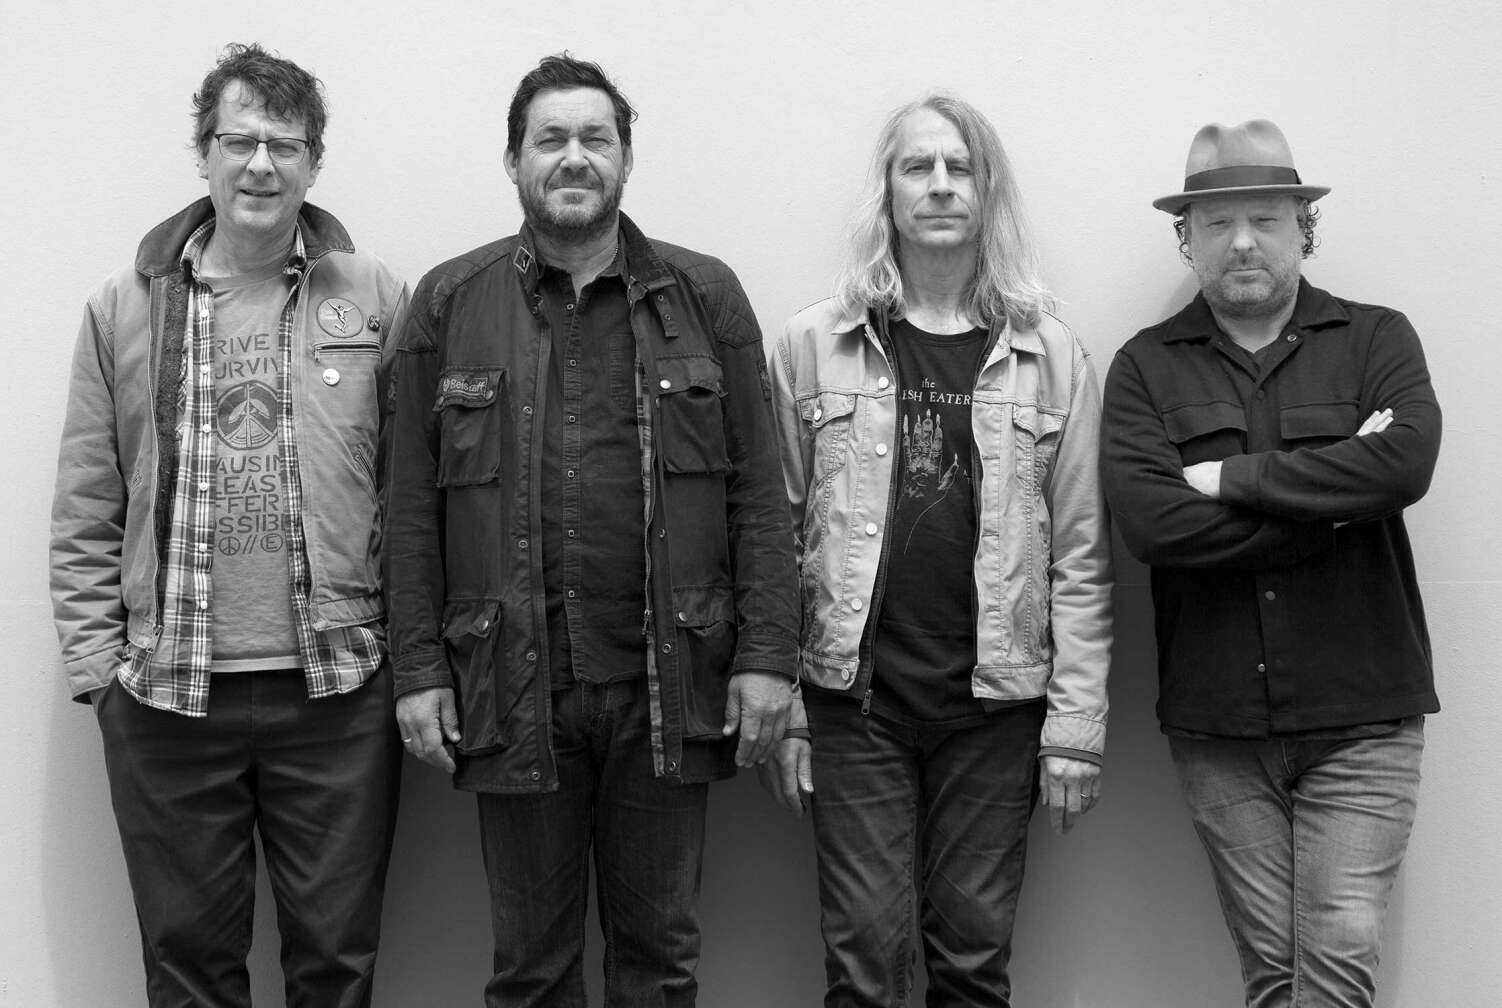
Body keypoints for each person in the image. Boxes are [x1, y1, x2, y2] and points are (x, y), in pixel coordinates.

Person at [383, 54, 800, 1007]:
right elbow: (408, 510)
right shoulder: (449, 302)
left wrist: (769, 655)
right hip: (510, 685)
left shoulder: (706, 296)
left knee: (660, 964)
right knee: (530, 971)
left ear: (625, 159)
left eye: (595, 138)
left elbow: (759, 496)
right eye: (551, 139)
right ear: (514, 160)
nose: (574, 157)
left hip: (670, 683)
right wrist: (417, 671)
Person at [49, 43, 407, 1007]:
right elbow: (87, 502)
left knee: (336, 966)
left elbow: (412, 492)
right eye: (239, 141)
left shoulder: (371, 295)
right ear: (203, 152)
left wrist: (408, 662)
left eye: (284, 145)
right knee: (188, 971)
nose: (260, 164)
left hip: (339, 693)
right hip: (167, 697)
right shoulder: (125, 307)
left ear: (313, 162)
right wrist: (100, 673)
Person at [762, 93, 1113, 1007]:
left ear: (988, 191)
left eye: (961, 167)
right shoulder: (814, 344)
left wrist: (1074, 727)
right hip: (854, 706)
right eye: (918, 166)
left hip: (997, 711)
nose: (941, 185)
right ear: (888, 191)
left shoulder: (1053, 355)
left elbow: (1081, 555)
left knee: (973, 967)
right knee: (864, 967)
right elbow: (775, 537)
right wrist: (788, 707)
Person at [1101, 119, 1441, 1008]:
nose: (1242, 241)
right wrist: (1337, 505)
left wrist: (1228, 479)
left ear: (1303, 227)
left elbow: (1405, 464)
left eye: (1265, 218)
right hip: (1219, 724)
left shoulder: (1376, 339)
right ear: (1187, 238)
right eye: (1217, 223)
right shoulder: (1144, 368)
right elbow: (1154, 526)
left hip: (1364, 717)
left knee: (1337, 965)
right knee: (1274, 975)